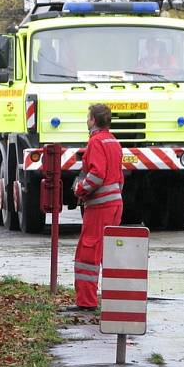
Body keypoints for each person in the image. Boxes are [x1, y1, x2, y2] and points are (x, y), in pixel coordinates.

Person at [70, 103, 124, 310]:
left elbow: (96, 175)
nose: (87, 120)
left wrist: (80, 189)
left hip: (100, 208)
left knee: (88, 253)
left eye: (88, 117)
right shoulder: (113, 142)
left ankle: (86, 302)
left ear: (93, 120)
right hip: (115, 205)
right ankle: (116, 299)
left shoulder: (96, 142)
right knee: (108, 253)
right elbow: (119, 178)